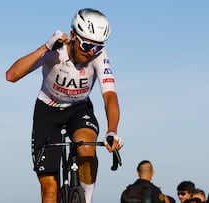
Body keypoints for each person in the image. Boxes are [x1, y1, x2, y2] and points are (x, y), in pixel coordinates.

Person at [6, 8, 123, 203]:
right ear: (73, 36)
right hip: (47, 111)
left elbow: (110, 96)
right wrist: (44, 48)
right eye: (86, 45)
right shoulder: (54, 52)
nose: (91, 52)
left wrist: (112, 130)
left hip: (79, 109)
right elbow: (11, 76)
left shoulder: (99, 55)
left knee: (87, 151)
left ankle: (86, 199)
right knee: (50, 189)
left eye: (97, 47)